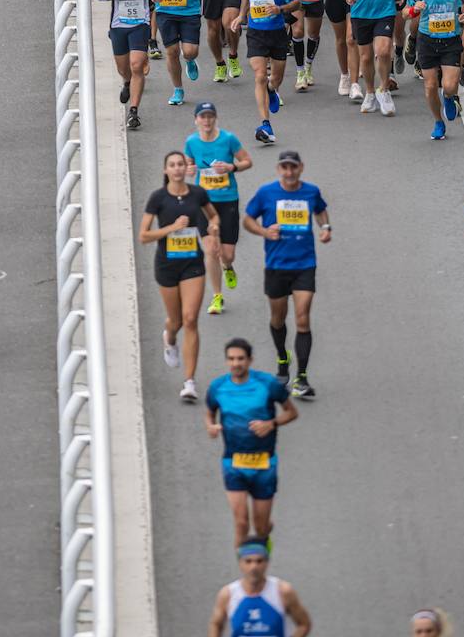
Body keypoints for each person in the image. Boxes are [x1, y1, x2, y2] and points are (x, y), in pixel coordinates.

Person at [243, 151, 330, 397]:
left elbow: (321, 210)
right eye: (285, 168)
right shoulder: (266, 193)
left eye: (293, 167)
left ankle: (301, 377)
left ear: (301, 168)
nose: (289, 172)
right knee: (278, 319)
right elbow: (247, 219)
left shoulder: (311, 191)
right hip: (276, 265)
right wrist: (263, 231)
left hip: (304, 264)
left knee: (302, 317)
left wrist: (325, 227)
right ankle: (283, 359)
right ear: (278, 169)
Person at [139, 150, 221, 402]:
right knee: (175, 321)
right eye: (172, 165)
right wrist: (171, 229)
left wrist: (214, 228)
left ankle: (189, 382)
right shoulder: (158, 198)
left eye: (180, 164)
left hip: (192, 265)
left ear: (186, 168)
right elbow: (143, 236)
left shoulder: (197, 194)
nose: (177, 169)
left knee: (191, 319)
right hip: (166, 265)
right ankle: (170, 337)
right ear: (166, 170)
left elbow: (213, 215)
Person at [205, 337, 297, 546]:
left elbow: (292, 413)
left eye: (240, 359)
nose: (236, 363)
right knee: (241, 523)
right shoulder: (218, 387)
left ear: (250, 360)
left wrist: (271, 423)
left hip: (264, 463)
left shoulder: (268, 384)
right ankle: (246, 574)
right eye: (231, 359)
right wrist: (211, 426)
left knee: (261, 528)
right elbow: (209, 413)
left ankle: (265, 534)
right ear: (226, 361)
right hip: (233, 462)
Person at [184, 101, 251, 313]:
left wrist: (232, 167)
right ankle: (217, 296)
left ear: (216, 118)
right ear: (196, 120)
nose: (206, 120)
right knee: (211, 249)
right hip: (204, 203)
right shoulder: (191, 142)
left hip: (228, 200)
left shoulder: (228, 139)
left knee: (227, 254)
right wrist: (189, 168)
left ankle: (228, 267)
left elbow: (247, 161)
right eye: (202, 116)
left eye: (210, 116)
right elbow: (188, 164)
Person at [231, 0, 300, 143]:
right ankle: (265, 124)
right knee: (260, 76)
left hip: (277, 32)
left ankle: (272, 90)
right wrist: (240, 16)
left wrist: (281, 9)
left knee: (275, 79)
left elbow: (296, 1)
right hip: (256, 33)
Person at [404, 0, 464, 140]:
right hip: (427, 40)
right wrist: (415, 9)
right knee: (430, 86)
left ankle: (448, 98)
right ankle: (438, 122)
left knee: (449, 86)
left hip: (451, 39)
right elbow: (405, 13)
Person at [97, 0, 156, 129]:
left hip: (141, 23)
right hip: (119, 25)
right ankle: (127, 83)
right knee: (124, 68)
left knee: (137, 64)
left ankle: (134, 112)